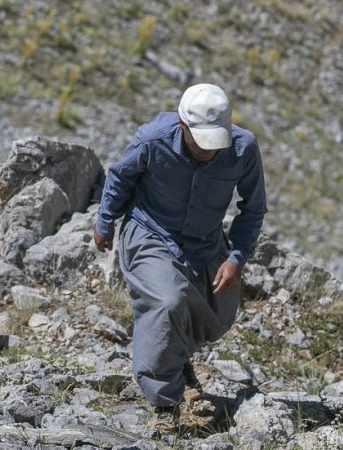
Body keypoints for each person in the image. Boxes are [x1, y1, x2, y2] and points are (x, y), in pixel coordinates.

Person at [92, 83, 267, 432]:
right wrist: (105, 220)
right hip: (151, 233)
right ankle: (165, 403)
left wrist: (236, 257)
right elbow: (120, 176)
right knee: (168, 302)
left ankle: (177, 355)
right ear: (183, 127)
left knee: (219, 309)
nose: (208, 151)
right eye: (201, 141)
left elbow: (253, 208)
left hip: (205, 242)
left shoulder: (244, 148)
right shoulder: (153, 139)